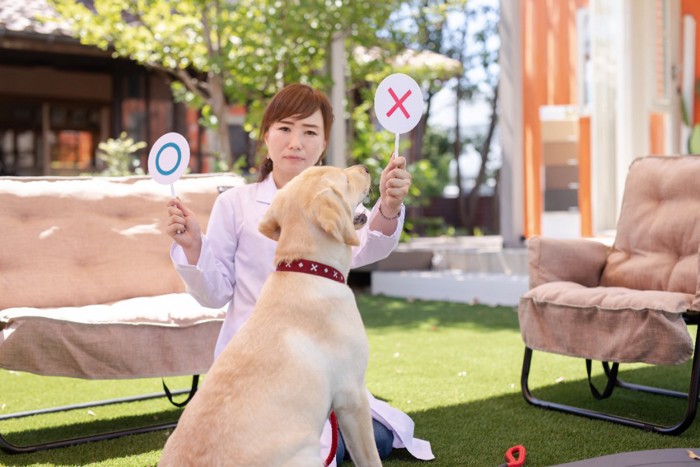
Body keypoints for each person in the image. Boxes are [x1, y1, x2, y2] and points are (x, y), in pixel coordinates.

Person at [166, 83, 434, 465]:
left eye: (309, 132)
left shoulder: (333, 198)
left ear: (323, 144)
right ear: (266, 135)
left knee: (378, 435)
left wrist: (388, 206)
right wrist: (194, 245)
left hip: (315, 364)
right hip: (256, 365)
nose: (296, 142)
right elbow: (216, 292)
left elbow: (360, 247)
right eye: (285, 128)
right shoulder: (236, 204)